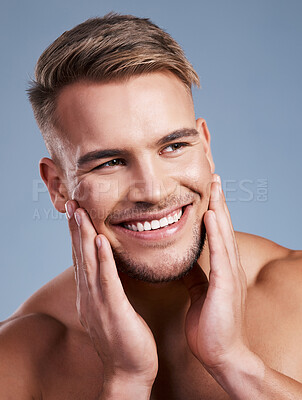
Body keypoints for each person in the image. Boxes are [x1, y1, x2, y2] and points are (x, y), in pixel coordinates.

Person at [0, 12, 301, 400]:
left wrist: (235, 364)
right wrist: (126, 382)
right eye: (110, 162)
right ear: (58, 187)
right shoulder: (17, 359)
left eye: (173, 146)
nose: (154, 191)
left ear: (205, 148)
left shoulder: (294, 289)